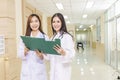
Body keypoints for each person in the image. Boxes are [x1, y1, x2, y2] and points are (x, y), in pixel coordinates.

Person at [18, 14, 48, 80]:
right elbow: (19, 54)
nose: (34, 24)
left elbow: (48, 56)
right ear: (29, 24)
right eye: (31, 22)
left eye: (36, 21)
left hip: (39, 72)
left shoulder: (44, 37)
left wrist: (41, 56)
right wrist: (25, 52)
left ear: (39, 22)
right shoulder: (24, 37)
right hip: (27, 72)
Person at [49, 13, 75, 80]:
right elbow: (50, 55)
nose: (55, 24)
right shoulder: (52, 37)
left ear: (62, 23)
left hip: (63, 71)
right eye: (53, 22)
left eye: (58, 21)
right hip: (53, 70)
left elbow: (72, 55)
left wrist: (64, 53)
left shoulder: (67, 37)